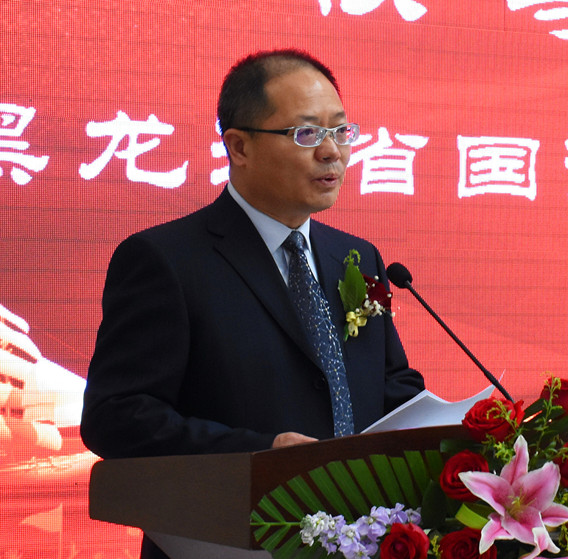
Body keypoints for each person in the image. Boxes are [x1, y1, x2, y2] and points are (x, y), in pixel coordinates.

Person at [80, 49, 425, 558]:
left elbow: (388, 385)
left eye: (341, 130)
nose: (332, 152)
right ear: (239, 146)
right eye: (306, 133)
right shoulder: (165, 260)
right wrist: (262, 454)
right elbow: (117, 417)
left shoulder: (357, 257)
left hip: (358, 540)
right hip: (227, 538)